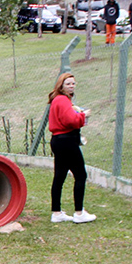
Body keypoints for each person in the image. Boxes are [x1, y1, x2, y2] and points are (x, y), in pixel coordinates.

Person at [47, 73, 96, 224]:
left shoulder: (59, 100)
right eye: (68, 84)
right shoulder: (62, 100)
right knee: (80, 175)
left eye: (73, 83)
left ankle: (56, 212)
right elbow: (71, 121)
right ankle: (79, 213)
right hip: (67, 141)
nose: (72, 86)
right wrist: (83, 115)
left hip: (59, 141)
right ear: (61, 86)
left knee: (60, 176)